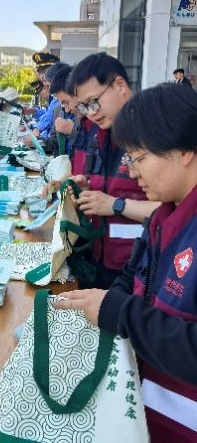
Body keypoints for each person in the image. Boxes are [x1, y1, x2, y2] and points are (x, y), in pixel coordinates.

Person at [55, 82, 197, 442]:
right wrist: (99, 306)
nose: (132, 173)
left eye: (140, 158)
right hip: (144, 416)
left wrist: (121, 313)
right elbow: (131, 279)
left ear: (185, 150)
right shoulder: (161, 219)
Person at [60, 53, 158, 289]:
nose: (91, 112)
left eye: (94, 101)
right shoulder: (100, 135)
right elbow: (109, 190)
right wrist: (86, 189)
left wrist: (116, 205)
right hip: (102, 260)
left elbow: (177, 212)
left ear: (120, 85)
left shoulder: (155, 133)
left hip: (143, 268)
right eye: (84, 106)